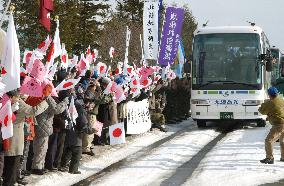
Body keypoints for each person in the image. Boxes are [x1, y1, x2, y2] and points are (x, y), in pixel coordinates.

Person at [3, 90, 49, 186]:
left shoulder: (5, 101)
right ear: (13, 96)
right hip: (15, 135)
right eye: (19, 95)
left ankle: (11, 180)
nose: (21, 96)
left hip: (8, 134)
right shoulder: (18, 103)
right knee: (13, 161)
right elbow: (33, 111)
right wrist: (45, 101)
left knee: (9, 161)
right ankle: (10, 182)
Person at [31, 85, 69, 175]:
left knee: (39, 147)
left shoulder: (37, 96)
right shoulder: (48, 98)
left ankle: (39, 166)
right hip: (44, 126)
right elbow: (56, 109)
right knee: (41, 148)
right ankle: (37, 167)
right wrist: (65, 102)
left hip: (38, 125)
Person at [259, 87, 284, 164]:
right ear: (277, 93)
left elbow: (261, 111)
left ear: (269, 95)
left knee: (268, 140)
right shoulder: (281, 100)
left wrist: (265, 103)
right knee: (282, 140)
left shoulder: (270, 103)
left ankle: (269, 158)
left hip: (279, 124)